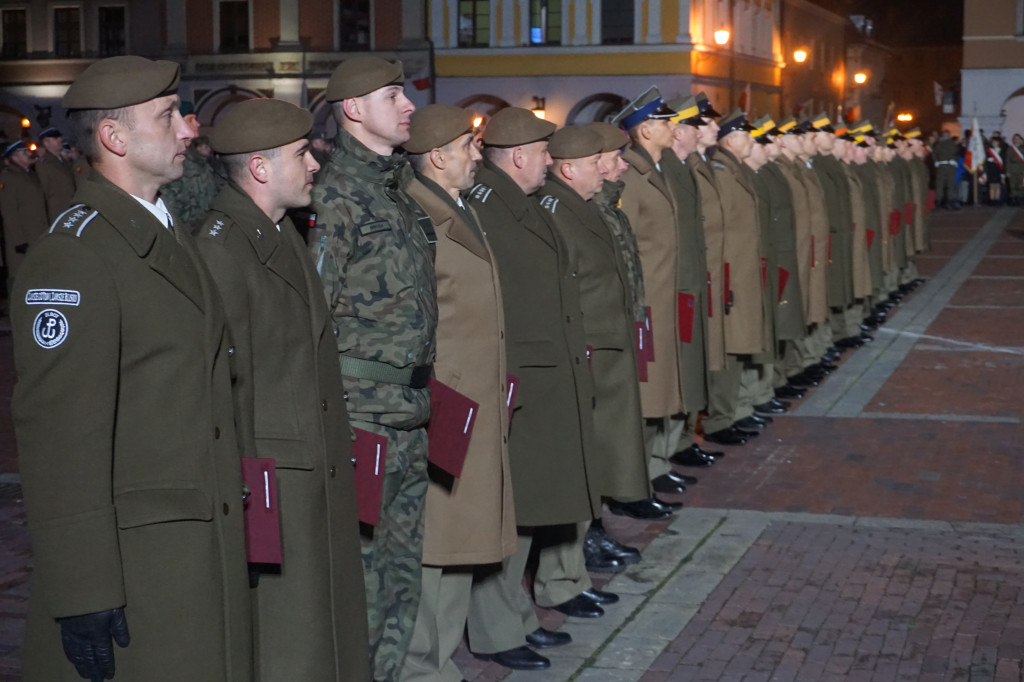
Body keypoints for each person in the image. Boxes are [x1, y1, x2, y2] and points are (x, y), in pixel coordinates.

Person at [11, 55, 253, 681]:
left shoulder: (165, 231)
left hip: (194, 545)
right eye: (168, 115)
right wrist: (82, 588)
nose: (190, 129)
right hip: (139, 563)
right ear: (115, 138)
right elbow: (61, 438)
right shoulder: (76, 256)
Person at [194, 98, 370, 681]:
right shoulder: (223, 248)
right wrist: (248, 502)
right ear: (261, 169)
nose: (316, 163)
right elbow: (225, 390)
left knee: (322, 629)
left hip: (308, 466)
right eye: (301, 154)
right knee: (288, 638)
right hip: (274, 481)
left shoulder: (278, 231)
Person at [310, 55, 437, 682]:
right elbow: (313, 316)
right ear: (355, 110)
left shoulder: (392, 189)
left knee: (401, 575)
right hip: (363, 419)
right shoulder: (335, 193)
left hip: (410, 414)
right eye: (394, 95)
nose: (409, 104)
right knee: (362, 582)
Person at [465, 107, 603, 671]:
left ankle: (517, 616)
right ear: (518, 155)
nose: (552, 159)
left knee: (532, 503)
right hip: (519, 378)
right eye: (543, 151)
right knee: (511, 508)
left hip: (544, 375)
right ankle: (498, 629)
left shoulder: (518, 204)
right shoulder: (486, 208)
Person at [399, 103, 517, 682]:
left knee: (463, 534)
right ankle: (425, 666)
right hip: (446, 402)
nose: (478, 154)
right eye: (468, 147)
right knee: (438, 541)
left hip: (474, 400)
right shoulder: (418, 215)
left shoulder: (457, 207)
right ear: (438, 156)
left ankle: (441, 660)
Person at [0, 140, 48, 285]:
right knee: (21, 281)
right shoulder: (7, 178)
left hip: (37, 235)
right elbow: (9, 212)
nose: (29, 153)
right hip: (23, 241)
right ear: (14, 157)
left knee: (38, 278)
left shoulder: (30, 174)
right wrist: (19, 241)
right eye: (23, 151)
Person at [34, 127, 77, 223]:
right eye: (55, 138)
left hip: (71, 209)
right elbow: (44, 192)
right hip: (58, 212)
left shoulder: (63, 161)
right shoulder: (44, 164)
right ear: (46, 143)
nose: (60, 140)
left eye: (59, 137)